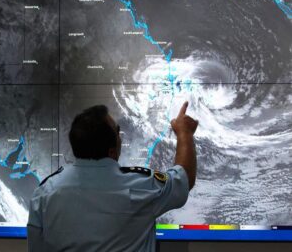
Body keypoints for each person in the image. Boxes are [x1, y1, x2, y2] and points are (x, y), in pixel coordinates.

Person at [27, 102, 198, 252]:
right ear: (112, 151)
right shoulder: (141, 186)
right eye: (117, 131)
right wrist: (185, 133)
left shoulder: (44, 193)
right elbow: (184, 179)